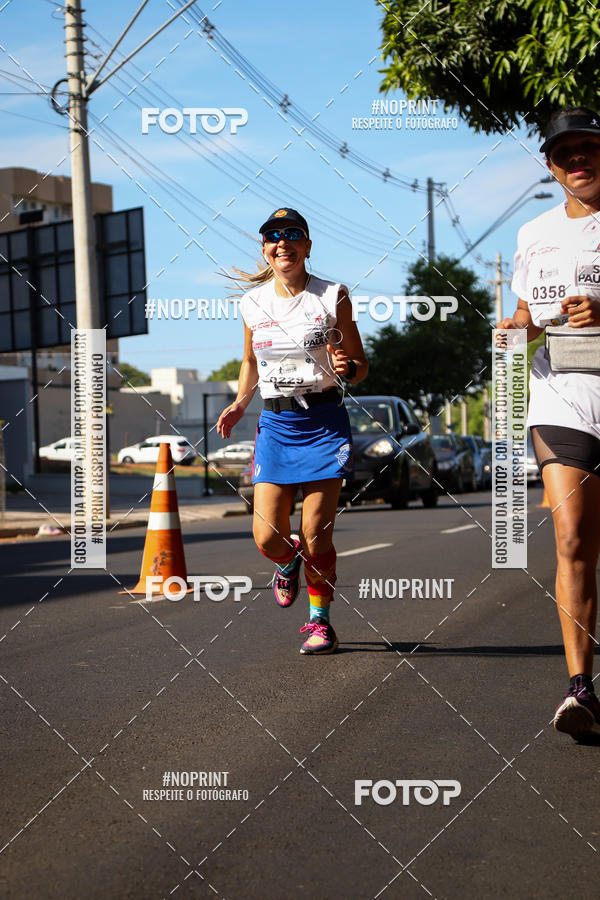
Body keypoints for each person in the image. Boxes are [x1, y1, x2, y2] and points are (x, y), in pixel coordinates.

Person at [216, 208, 368, 654]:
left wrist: (349, 367)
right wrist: (241, 400)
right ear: (265, 249)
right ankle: (287, 561)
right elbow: (249, 362)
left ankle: (320, 622)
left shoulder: (332, 296)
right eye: (272, 237)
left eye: (292, 235)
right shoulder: (253, 302)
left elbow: (359, 364)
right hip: (277, 424)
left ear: (307, 246)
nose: (282, 242)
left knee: (318, 530)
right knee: (267, 536)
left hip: (323, 422)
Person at [499, 107, 600, 740]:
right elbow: (523, 313)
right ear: (550, 165)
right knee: (571, 539)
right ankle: (580, 688)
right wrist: (518, 329)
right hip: (562, 395)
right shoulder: (533, 233)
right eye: (566, 155)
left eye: (588, 148)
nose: (578, 161)